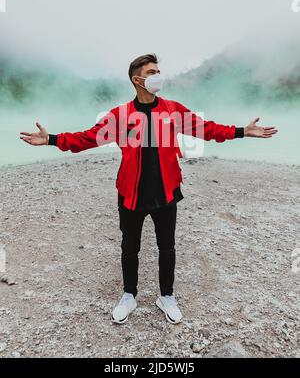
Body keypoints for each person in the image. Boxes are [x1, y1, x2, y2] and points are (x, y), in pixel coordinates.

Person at [19, 53, 278, 325]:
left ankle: (166, 296)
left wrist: (241, 131)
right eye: (152, 72)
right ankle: (129, 295)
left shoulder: (173, 110)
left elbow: (206, 129)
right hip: (131, 194)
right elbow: (87, 138)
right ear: (137, 79)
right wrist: (50, 139)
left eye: (158, 71)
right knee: (130, 248)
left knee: (167, 247)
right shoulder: (119, 116)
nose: (158, 76)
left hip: (166, 193)